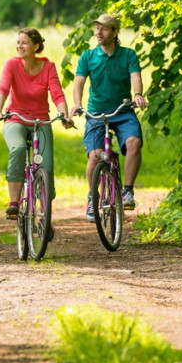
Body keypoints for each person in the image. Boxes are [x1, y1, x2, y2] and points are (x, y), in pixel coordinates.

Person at [73, 13, 148, 221]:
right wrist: (77, 104)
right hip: (96, 113)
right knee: (95, 156)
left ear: (115, 32)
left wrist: (138, 95)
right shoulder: (88, 56)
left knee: (134, 142)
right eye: (97, 28)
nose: (98, 32)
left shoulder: (128, 55)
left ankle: (127, 191)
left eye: (104, 28)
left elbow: (135, 77)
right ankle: (92, 197)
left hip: (122, 111)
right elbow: (78, 82)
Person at [0, 27, 73, 221]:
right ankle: (14, 203)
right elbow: (3, 88)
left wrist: (64, 115)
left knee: (47, 167)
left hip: (40, 121)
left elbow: (57, 94)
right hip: (16, 119)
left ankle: (45, 215)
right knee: (18, 148)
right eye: (18, 42)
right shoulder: (11, 64)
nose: (19, 46)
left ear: (36, 46)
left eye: (24, 42)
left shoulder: (48, 67)